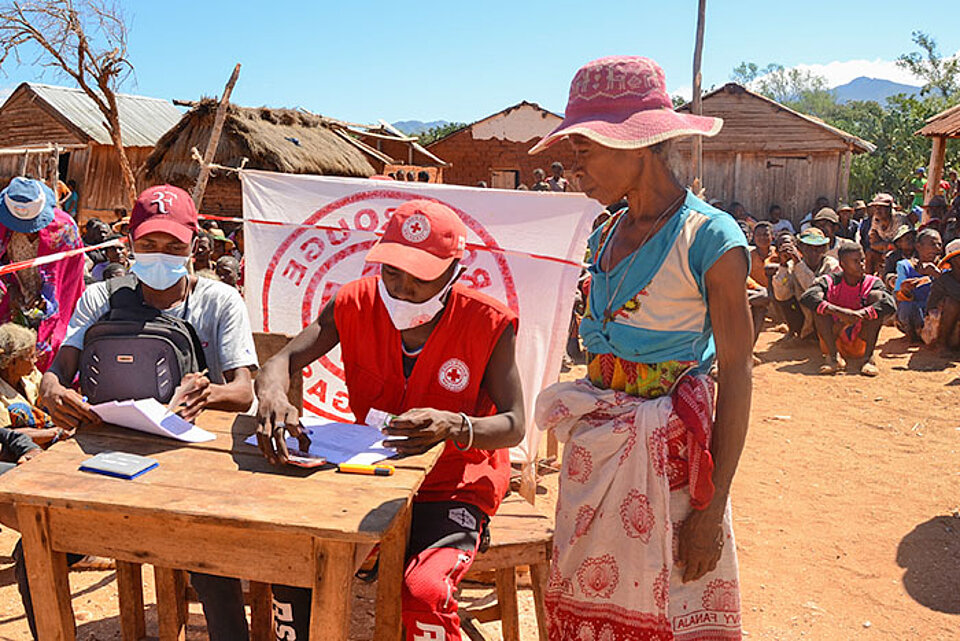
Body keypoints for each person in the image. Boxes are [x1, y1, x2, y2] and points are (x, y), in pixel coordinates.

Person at [528, 56, 750, 640]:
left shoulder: (710, 239)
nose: (574, 169)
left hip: (674, 474)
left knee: (671, 607)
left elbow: (738, 374)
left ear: (641, 144)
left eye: (586, 152)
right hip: (596, 462)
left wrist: (708, 511)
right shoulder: (604, 236)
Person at [255, 199, 525, 641]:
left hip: (452, 486)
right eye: (392, 272)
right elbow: (282, 360)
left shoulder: (487, 323)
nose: (401, 288)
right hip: (370, 475)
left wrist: (454, 424)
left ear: (454, 271)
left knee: (423, 591)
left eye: (420, 278)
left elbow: (515, 424)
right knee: (294, 566)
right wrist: (272, 394)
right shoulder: (354, 302)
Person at [32, 184, 258, 641]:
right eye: (149, 244)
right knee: (33, 551)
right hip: (111, 456)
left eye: (174, 246)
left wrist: (205, 394)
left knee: (211, 565)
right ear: (129, 244)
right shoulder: (102, 299)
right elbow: (59, 371)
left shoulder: (218, 302)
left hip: (195, 469)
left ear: (195, 247)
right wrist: (52, 391)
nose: (161, 255)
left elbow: (241, 391)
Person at [0, 177, 85, 372]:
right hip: (18, 295)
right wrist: (11, 288)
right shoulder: (2, 226)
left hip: (56, 300)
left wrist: (48, 301)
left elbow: (70, 281)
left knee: (49, 349)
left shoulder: (64, 230)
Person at [800, 243, 895, 376]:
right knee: (819, 305)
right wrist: (841, 313)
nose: (861, 264)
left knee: (877, 297)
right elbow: (807, 297)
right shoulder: (829, 280)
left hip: (860, 339)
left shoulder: (872, 282)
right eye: (856, 261)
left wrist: (860, 314)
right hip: (834, 337)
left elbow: (890, 303)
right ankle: (833, 357)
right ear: (842, 264)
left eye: (862, 260)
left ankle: (868, 359)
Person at [770, 228, 840, 340]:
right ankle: (795, 331)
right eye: (808, 248)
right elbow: (781, 295)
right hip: (803, 316)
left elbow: (816, 292)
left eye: (817, 248)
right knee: (784, 298)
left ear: (823, 249)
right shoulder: (792, 265)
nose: (813, 253)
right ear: (801, 248)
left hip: (826, 318)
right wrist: (783, 265)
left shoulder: (831, 266)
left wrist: (799, 264)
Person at [0, 323, 63, 444]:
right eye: (31, 356)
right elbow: (5, 435)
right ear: (12, 362)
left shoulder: (32, 375)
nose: (36, 360)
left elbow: (51, 395)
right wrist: (55, 433)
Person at [894, 228, 943, 344]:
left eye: (939, 244)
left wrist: (936, 275)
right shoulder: (905, 266)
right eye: (932, 244)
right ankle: (914, 334)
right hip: (917, 314)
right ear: (918, 246)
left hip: (937, 315)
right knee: (906, 306)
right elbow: (898, 296)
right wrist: (905, 290)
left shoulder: (945, 266)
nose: (937, 248)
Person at [928, 239, 960, 353]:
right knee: (952, 303)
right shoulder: (944, 280)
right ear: (952, 260)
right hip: (939, 326)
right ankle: (941, 344)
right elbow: (930, 307)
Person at [865, 193, 909, 275]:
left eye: (881, 207)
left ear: (889, 209)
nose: (877, 210)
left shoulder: (899, 219)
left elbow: (900, 244)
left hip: (901, 253)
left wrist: (884, 245)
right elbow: (873, 243)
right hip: (884, 251)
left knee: (890, 256)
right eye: (876, 207)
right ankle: (868, 282)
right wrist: (887, 245)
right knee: (869, 253)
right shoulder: (876, 219)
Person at [748, 221, 775, 348]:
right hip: (758, 294)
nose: (762, 238)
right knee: (760, 305)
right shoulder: (749, 256)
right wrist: (758, 288)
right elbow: (744, 276)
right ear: (753, 237)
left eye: (766, 235)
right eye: (758, 235)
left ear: (772, 237)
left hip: (777, 298)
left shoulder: (779, 254)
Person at [883, 225, 917, 290]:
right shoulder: (892, 257)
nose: (911, 240)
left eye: (913, 238)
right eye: (907, 239)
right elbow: (887, 274)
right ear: (899, 243)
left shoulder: (920, 253)